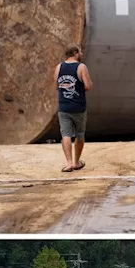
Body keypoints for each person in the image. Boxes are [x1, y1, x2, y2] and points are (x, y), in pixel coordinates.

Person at [55, 44, 94, 172]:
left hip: (63, 107)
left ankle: (69, 163)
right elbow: (88, 86)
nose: (81, 54)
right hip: (78, 107)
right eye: (80, 52)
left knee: (65, 134)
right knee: (80, 134)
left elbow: (57, 86)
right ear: (76, 53)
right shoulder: (81, 67)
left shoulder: (58, 67)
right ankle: (77, 162)